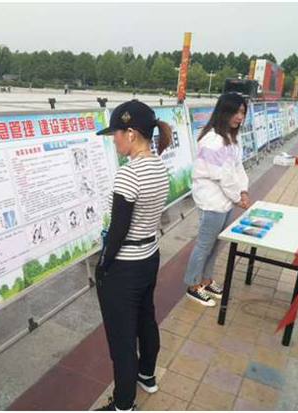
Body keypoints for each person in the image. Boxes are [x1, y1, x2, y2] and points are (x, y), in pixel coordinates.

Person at [94, 100, 171, 411]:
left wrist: (103, 265)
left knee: (122, 339)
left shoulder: (129, 174)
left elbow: (117, 231)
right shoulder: (159, 166)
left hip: (124, 266)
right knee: (145, 320)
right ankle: (147, 375)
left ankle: (123, 404)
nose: (113, 140)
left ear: (130, 133)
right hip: (149, 256)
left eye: (116, 133)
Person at [183, 92, 250, 307]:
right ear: (223, 111)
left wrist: (244, 190)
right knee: (204, 245)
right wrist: (238, 197)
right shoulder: (212, 140)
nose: (239, 116)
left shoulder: (232, 138)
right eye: (235, 111)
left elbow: (237, 167)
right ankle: (193, 286)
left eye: (242, 112)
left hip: (225, 201)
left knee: (215, 244)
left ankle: (206, 279)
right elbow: (221, 175)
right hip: (211, 201)